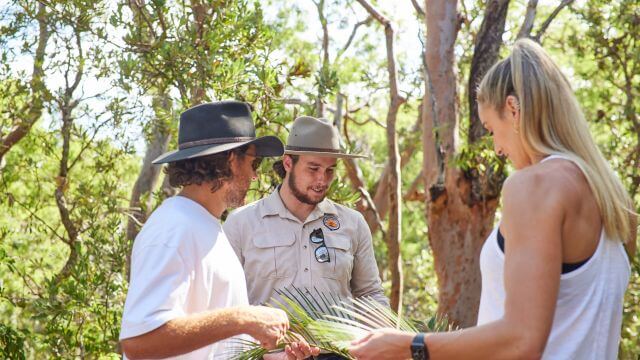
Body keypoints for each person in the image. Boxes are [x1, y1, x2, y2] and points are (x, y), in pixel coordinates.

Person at [347, 39, 637, 360]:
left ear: (513, 110)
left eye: (491, 129)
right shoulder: (616, 202)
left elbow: (521, 340)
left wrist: (409, 345)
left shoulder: (534, 186)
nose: (497, 148)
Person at [119, 101, 319, 360]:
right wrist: (244, 317)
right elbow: (139, 342)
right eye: (253, 163)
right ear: (231, 159)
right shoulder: (172, 229)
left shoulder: (207, 226)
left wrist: (277, 357)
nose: (254, 175)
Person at [223, 115, 388, 309]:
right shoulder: (241, 223)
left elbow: (370, 294)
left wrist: (391, 335)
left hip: (336, 339)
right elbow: (225, 300)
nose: (322, 180)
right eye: (313, 168)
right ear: (288, 164)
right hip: (266, 340)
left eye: (329, 170)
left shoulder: (353, 223)